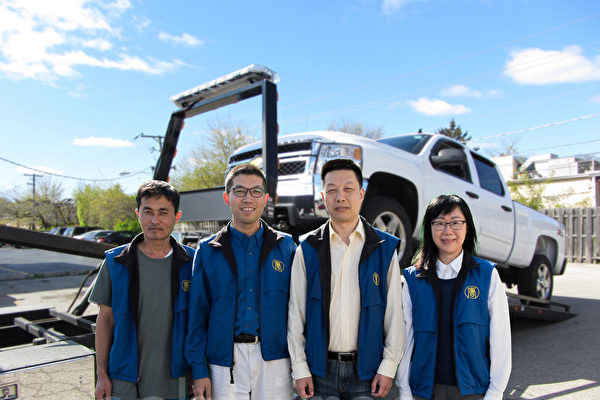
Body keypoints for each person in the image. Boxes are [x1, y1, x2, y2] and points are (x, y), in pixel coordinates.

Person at [287, 158, 405, 399]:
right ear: (323, 196)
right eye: (332, 190)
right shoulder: (307, 248)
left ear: (361, 194)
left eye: (348, 189)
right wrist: (299, 368)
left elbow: (394, 315)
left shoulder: (384, 248)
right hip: (318, 373)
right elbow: (295, 315)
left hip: (367, 373)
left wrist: (388, 367)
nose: (340, 197)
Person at [185, 163, 297, 400]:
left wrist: (301, 366)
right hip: (223, 363)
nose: (248, 198)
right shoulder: (207, 250)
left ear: (266, 198)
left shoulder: (286, 247)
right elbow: (197, 316)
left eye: (256, 191)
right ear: (227, 197)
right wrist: (198, 369)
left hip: (275, 359)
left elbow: (299, 312)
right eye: (239, 191)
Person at [396, 194, 511, 400]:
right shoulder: (413, 279)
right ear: (429, 229)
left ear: (468, 227)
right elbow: (405, 339)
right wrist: (404, 390)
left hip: (474, 391)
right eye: (439, 223)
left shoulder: (486, 275)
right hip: (423, 391)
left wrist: (496, 391)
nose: (448, 231)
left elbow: (500, 338)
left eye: (456, 223)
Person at [90, 180, 195, 400]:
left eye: (163, 212)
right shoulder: (116, 263)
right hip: (124, 384)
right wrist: (101, 374)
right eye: (148, 212)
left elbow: (201, 324)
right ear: (138, 214)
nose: (154, 220)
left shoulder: (192, 263)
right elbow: (105, 321)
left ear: (177, 216)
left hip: (176, 383)